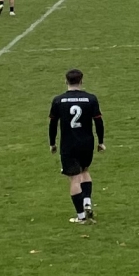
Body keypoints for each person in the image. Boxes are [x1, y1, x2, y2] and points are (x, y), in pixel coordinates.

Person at [48, 69, 105, 224]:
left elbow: (53, 124)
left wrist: (52, 143)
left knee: (74, 178)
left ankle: (81, 217)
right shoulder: (90, 99)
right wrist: (101, 142)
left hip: (69, 144)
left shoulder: (58, 100)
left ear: (66, 81)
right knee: (85, 171)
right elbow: (98, 122)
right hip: (87, 143)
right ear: (81, 81)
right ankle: (87, 202)